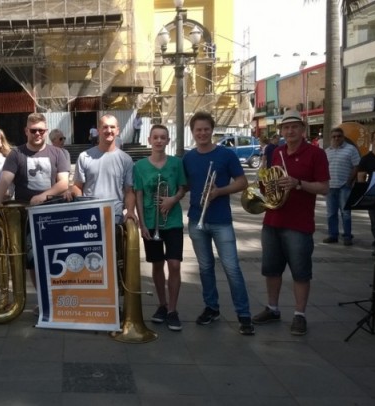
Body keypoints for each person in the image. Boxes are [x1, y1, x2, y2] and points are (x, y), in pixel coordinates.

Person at [251, 110, 329, 336]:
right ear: (282, 131)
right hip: (273, 219)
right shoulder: (277, 152)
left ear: (303, 130)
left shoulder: (316, 154)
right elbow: (271, 183)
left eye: (295, 127)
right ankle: (273, 308)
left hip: (299, 223)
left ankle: (299, 315)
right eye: (286, 128)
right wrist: (264, 186)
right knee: (271, 269)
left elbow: (324, 187)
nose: (290, 131)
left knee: (300, 272)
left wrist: (297, 183)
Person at [0, 112, 70, 311]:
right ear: (26, 131)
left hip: (53, 213)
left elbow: (64, 183)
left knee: (55, 258)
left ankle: (59, 299)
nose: (37, 134)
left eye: (41, 130)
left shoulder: (59, 153)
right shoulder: (17, 154)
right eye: (33, 130)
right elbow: (5, 180)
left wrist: (44, 195)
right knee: (32, 261)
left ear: (46, 131)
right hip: (26, 214)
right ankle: (44, 300)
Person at [183, 111, 254, 336]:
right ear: (192, 133)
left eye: (206, 129)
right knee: (205, 268)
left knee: (232, 268)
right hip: (197, 220)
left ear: (212, 130)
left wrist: (219, 191)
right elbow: (184, 185)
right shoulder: (188, 158)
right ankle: (211, 307)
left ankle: (244, 315)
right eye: (198, 130)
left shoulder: (226, 155)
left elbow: (242, 182)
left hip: (221, 220)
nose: (202, 133)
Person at [133, 124, 187, 331]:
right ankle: (162, 305)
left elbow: (182, 188)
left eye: (163, 137)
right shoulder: (139, 167)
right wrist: (142, 223)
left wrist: (172, 199)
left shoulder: (176, 163)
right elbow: (138, 194)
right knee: (156, 265)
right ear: (149, 140)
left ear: (168, 141)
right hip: (150, 221)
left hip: (171, 221)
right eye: (155, 137)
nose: (159, 141)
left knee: (174, 264)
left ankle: (173, 310)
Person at [323, 127, 360, 246]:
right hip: (330, 186)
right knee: (331, 213)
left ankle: (347, 236)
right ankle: (333, 235)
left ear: (343, 137)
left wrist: (349, 181)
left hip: (345, 186)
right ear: (331, 138)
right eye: (334, 136)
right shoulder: (326, 151)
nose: (336, 138)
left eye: (339, 136)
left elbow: (356, 166)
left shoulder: (351, 149)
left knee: (346, 213)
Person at [356, 129, 375, 252]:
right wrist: (361, 193)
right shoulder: (366, 159)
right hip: (374, 193)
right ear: (372, 141)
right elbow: (361, 177)